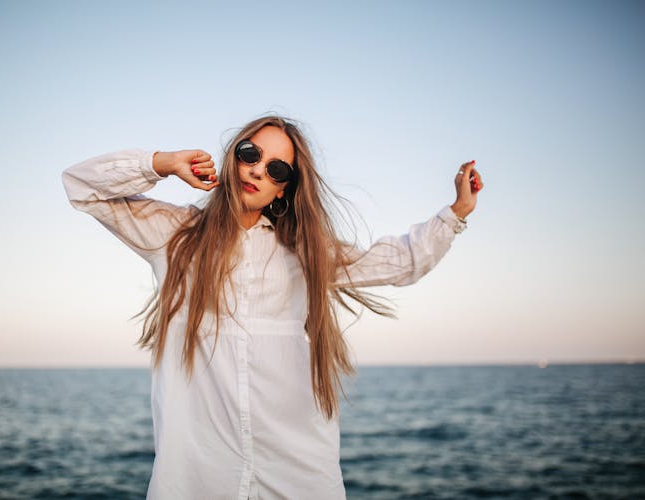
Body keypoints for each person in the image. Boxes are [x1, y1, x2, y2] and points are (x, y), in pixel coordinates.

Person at [61, 114, 483, 499]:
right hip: (195, 482)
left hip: (298, 479)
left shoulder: (305, 253)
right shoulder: (175, 237)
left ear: (285, 188)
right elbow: (82, 187)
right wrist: (163, 163)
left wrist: (457, 212)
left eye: (277, 169)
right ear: (233, 158)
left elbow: (401, 262)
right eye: (251, 154)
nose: (259, 169)